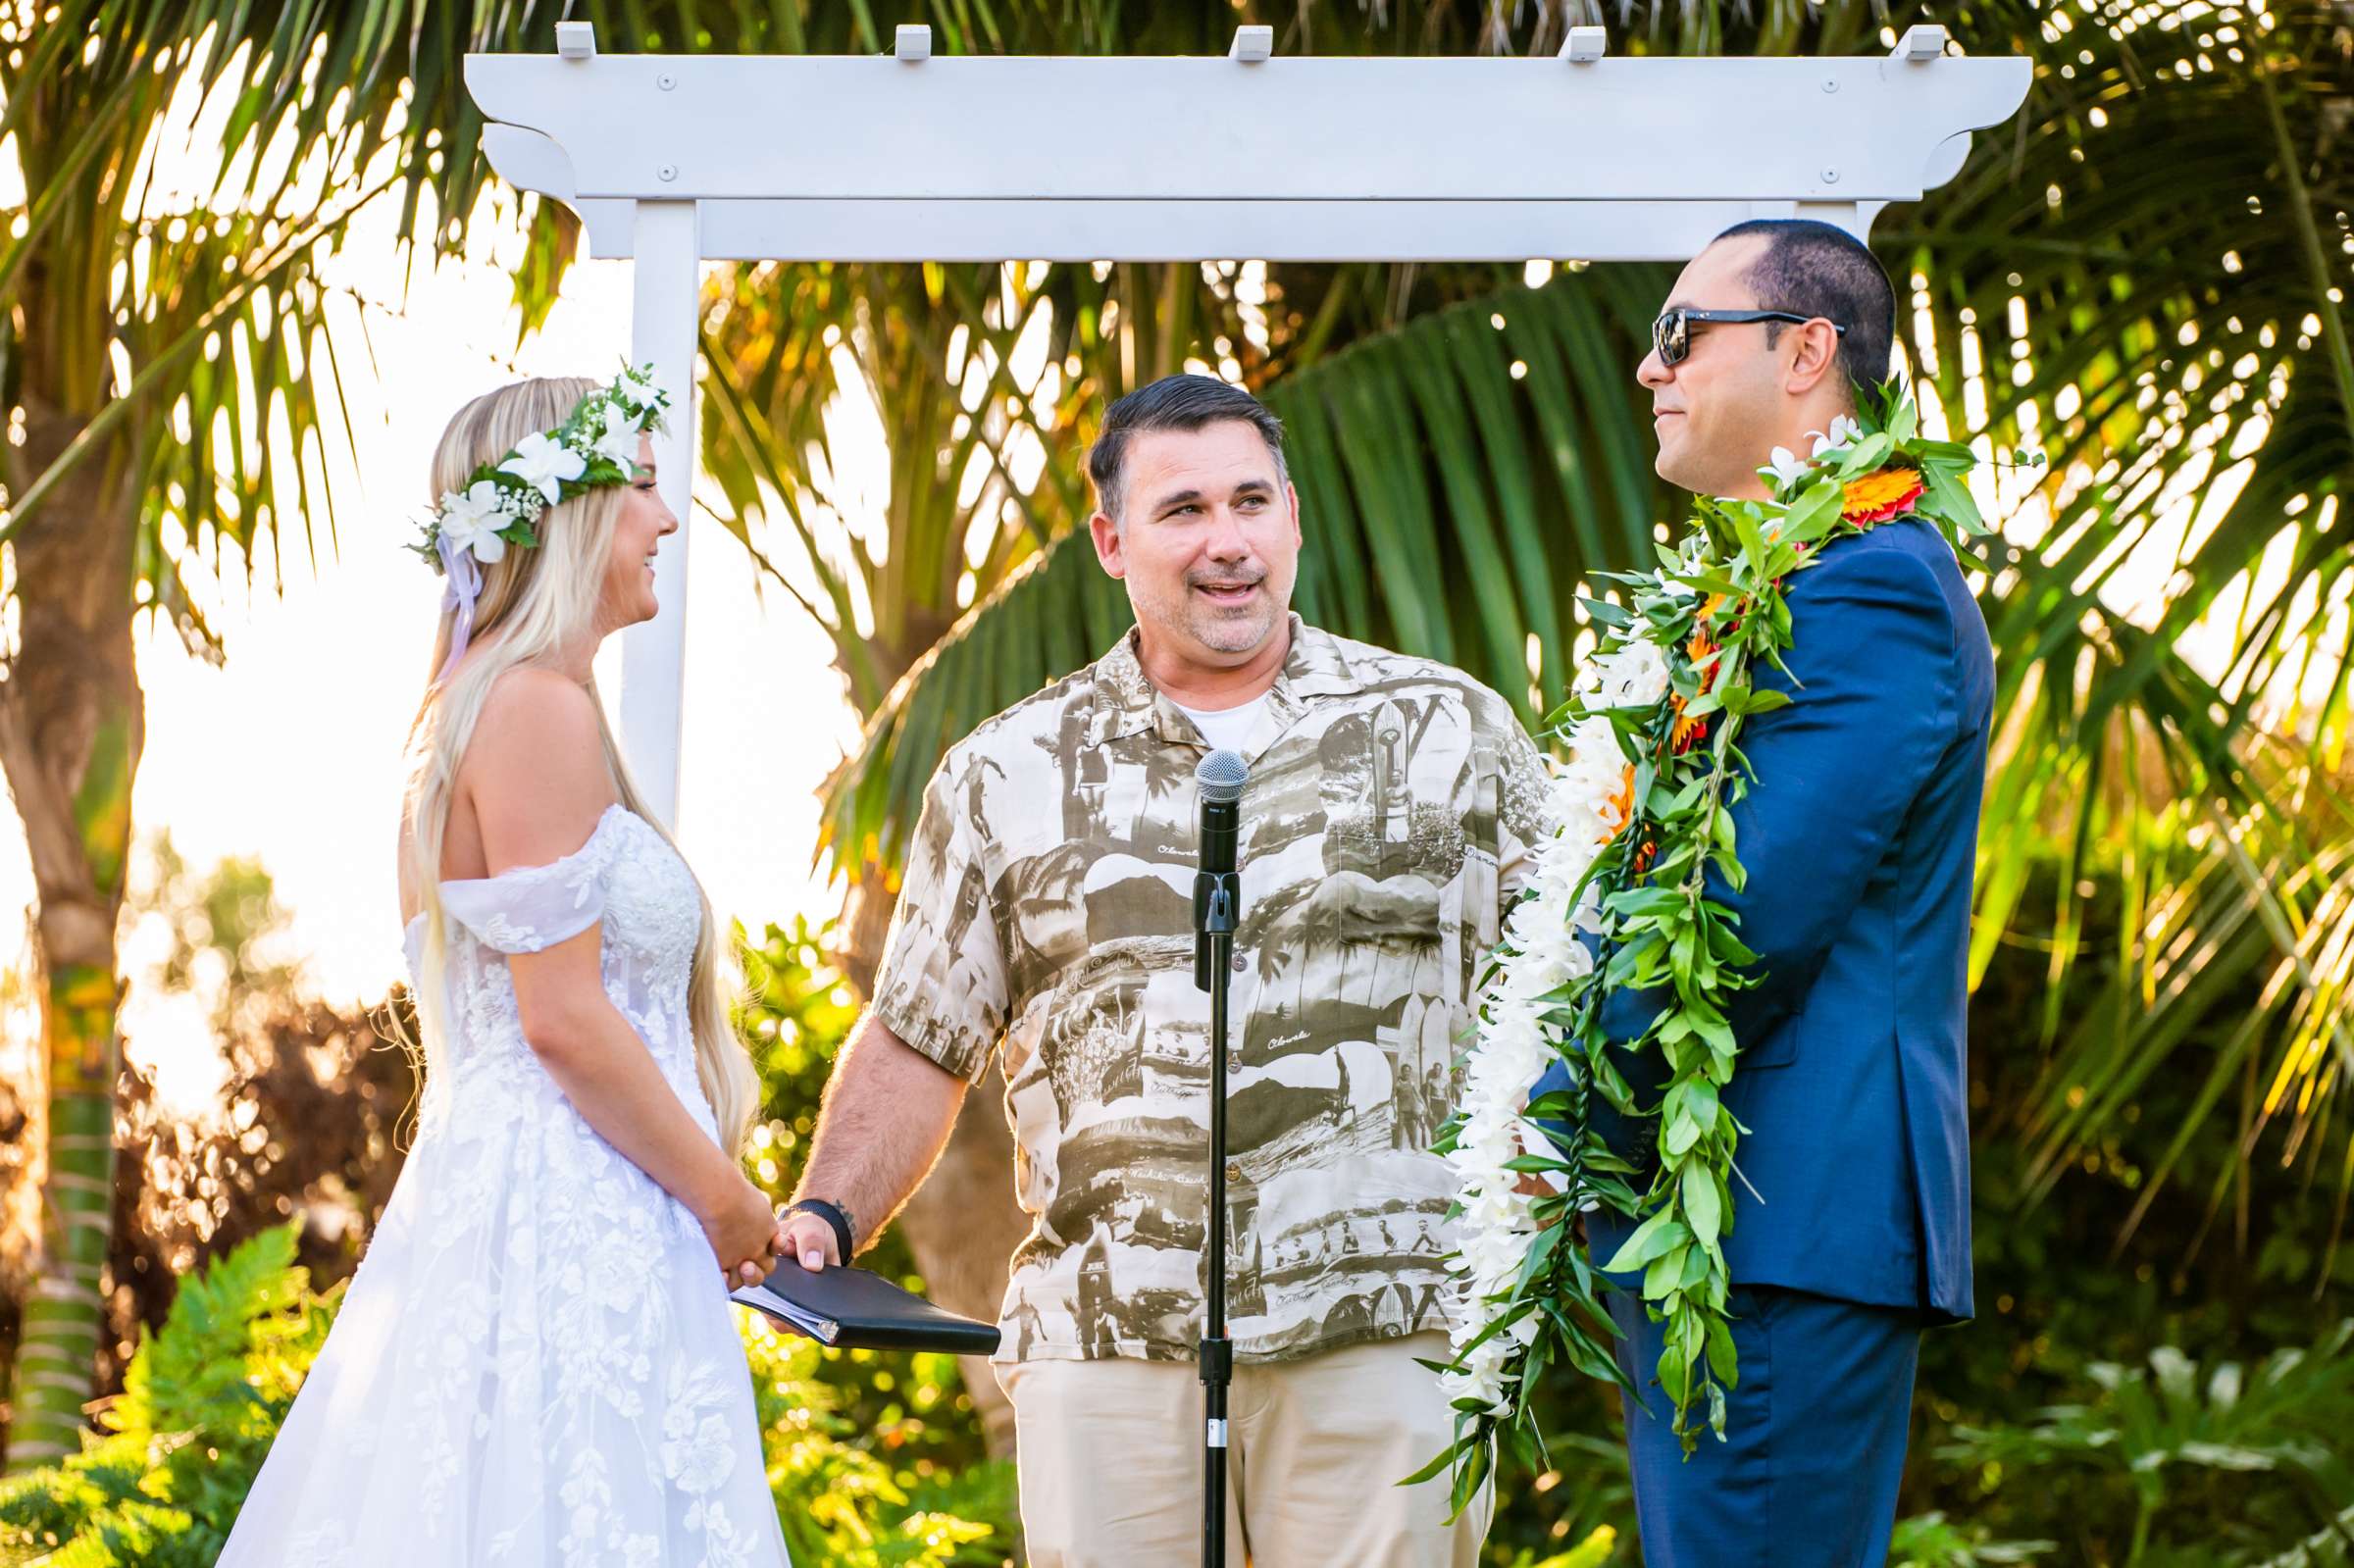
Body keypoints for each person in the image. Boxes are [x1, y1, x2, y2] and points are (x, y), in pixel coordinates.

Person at [779, 374, 1552, 1566]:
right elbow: (919, 1031)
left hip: (1391, 1333)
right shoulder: (1008, 770)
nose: (1226, 542)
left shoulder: (1452, 732)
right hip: (1106, 1348)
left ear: (1294, 517)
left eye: (1251, 502)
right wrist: (829, 1210)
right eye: (1182, 509)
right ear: (1110, 541)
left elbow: (1561, 989)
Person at [217, 371, 793, 1566]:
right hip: (573, 1216)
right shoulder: (532, 706)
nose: (666, 518)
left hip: (564, 1200)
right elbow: (565, 1024)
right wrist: (731, 1205)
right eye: (641, 486)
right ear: (570, 512)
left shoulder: (488, 703)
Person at [1535, 219, 1993, 1564]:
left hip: (1788, 1211)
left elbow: (1737, 922)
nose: (1647, 365)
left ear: (1807, 352)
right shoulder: (1796, 576)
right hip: (1743, 1217)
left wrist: (1549, 1102)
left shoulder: (1873, 588)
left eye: (1683, 332)